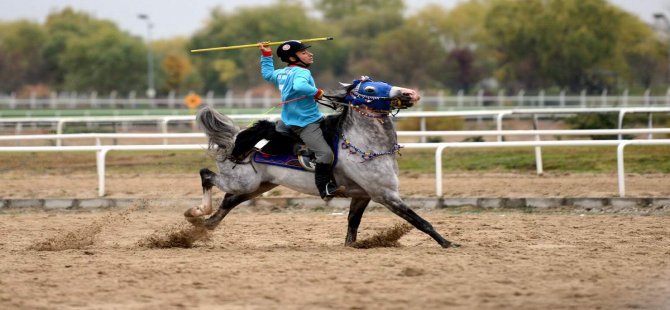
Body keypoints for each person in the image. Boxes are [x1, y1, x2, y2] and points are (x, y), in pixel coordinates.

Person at [259, 40, 339, 200]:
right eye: (304, 53)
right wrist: (318, 93)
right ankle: (325, 188)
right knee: (325, 154)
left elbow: (267, 74)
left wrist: (266, 54)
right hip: (306, 123)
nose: (310, 54)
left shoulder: (281, 73)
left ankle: (270, 150)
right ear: (293, 58)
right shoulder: (303, 73)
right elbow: (300, 86)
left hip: (286, 121)